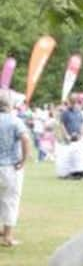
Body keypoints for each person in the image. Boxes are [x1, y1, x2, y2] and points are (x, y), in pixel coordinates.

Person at [0, 91, 30, 247]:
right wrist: (24, 159)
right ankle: (8, 236)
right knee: (11, 200)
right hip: (9, 167)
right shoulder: (14, 121)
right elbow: (25, 139)